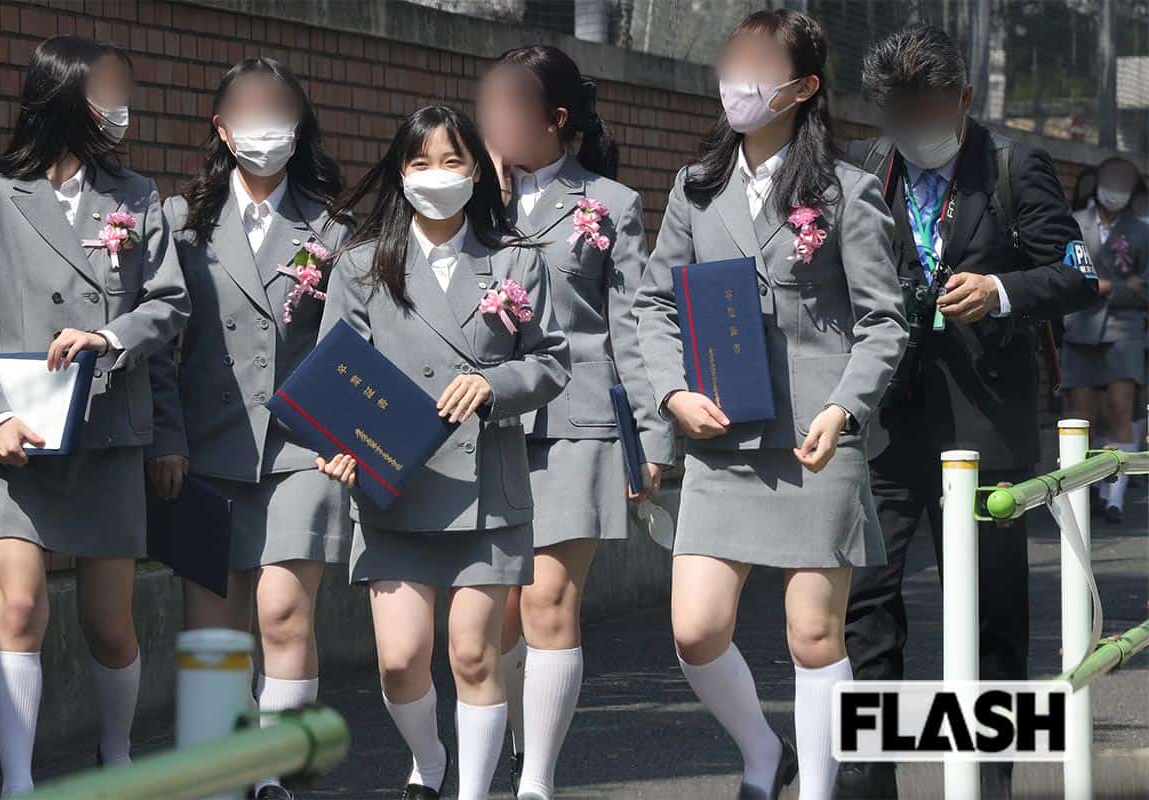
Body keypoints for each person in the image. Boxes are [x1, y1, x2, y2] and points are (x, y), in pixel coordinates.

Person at [634, 9, 907, 800]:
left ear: (804, 87)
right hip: (722, 438)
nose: (739, 83)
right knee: (695, 629)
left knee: (814, 634)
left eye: (759, 68)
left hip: (817, 441)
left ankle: (816, 789)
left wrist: (846, 409)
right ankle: (763, 749)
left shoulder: (848, 192)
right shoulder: (694, 189)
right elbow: (655, 305)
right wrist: (673, 392)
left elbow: (884, 322)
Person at [837, 26, 1100, 799]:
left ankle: (988, 781)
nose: (912, 127)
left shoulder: (1013, 165)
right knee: (867, 603)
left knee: (989, 614)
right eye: (897, 112)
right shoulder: (862, 165)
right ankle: (869, 778)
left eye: (926, 110)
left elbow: (1077, 273)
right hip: (885, 424)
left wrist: (1001, 291)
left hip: (986, 425)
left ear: (964, 99)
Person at [0, 36, 189, 795]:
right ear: (61, 98)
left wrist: (110, 337)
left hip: (107, 431)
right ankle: (18, 782)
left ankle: (116, 757)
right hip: (13, 436)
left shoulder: (137, 195)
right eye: (105, 93)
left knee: (108, 624)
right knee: (19, 608)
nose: (120, 109)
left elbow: (170, 304)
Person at [316, 105, 570, 800]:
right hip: (393, 488)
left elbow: (551, 361)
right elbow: (335, 373)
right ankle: (429, 758)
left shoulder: (515, 260)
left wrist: (493, 384)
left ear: (476, 172)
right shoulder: (362, 266)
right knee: (400, 662)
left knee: (472, 653)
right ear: (400, 173)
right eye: (420, 162)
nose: (437, 175)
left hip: (486, 491)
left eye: (452, 161)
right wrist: (338, 447)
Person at [145, 57, 350, 800]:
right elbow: (158, 347)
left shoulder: (333, 229)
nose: (266, 130)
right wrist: (167, 439)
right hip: (204, 449)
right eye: (250, 115)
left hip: (303, 451)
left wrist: (350, 441)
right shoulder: (180, 222)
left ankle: (272, 775)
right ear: (222, 129)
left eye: (279, 113)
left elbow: (352, 347)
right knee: (217, 634)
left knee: (284, 612)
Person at [477, 44, 674, 799]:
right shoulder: (464, 196)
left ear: (556, 118)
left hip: (578, 423)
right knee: (492, 616)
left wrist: (651, 437)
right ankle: (507, 751)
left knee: (548, 601)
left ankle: (538, 782)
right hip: (486, 423)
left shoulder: (611, 204)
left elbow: (634, 328)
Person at [1061, 156, 1149, 523]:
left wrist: (1109, 287)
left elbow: (1145, 287)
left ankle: (1114, 498)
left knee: (1119, 406)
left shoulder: (1140, 230)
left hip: (1124, 328)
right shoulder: (1074, 223)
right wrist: (1122, 286)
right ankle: (1083, 490)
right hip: (1079, 327)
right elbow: (1063, 276)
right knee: (1080, 416)